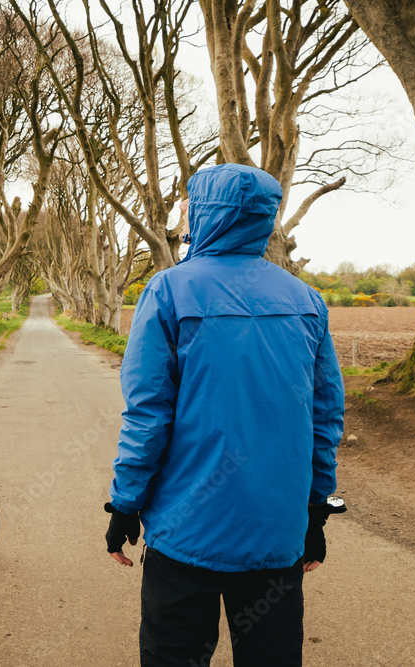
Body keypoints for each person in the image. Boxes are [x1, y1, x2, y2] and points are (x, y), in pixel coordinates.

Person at [104, 163, 345, 666]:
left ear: (205, 214)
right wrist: (316, 508)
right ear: (264, 218)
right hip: (276, 533)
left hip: (184, 533)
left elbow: (148, 415)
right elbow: (324, 418)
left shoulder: (169, 291)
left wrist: (125, 505)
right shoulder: (307, 301)